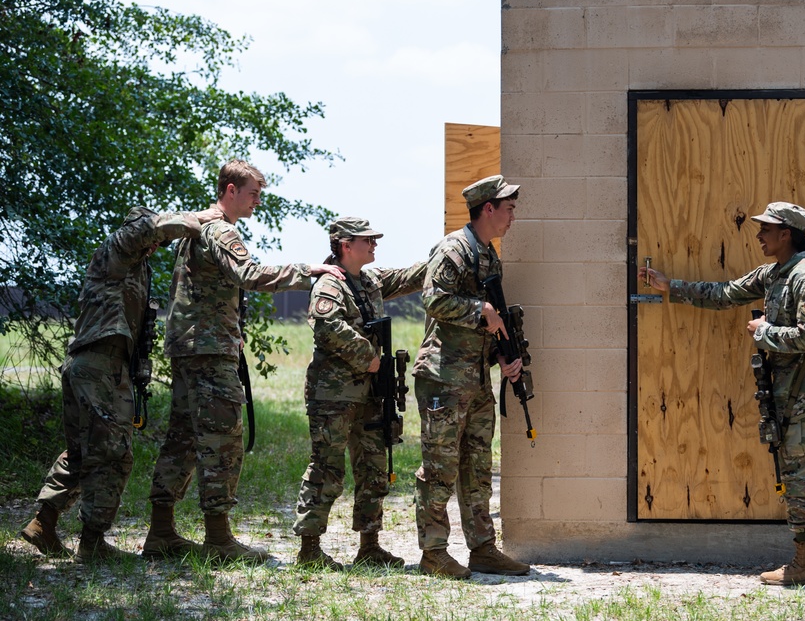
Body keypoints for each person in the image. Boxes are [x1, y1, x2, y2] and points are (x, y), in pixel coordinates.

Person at [639, 201, 805, 586]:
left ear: (786, 235)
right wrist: (671, 287)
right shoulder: (775, 273)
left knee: (796, 472)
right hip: (787, 387)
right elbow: (727, 293)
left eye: (766, 229)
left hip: (802, 387)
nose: (759, 234)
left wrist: (762, 331)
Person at [142, 159, 343, 563]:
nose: (257, 201)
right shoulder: (220, 229)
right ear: (230, 191)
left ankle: (161, 532)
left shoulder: (196, 229)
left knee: (181, 440)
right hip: (210, 351)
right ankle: (218, 540)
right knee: (222, 442)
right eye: (252, 193)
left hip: (189, 348)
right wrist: (308, 271)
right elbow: (248, 273)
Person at [20, 205, 222, 563]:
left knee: (83, 453)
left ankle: (43, 523)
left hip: (94, 365)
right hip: (100, 366)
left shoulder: (137, 268)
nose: (154, 247)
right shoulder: (117, 248)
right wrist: (198, 218)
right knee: (112, 455)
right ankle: (92, 542)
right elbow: (146, 230)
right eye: (151, 239)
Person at [412, 174, 530, 579]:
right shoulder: (454, 249)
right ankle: (433, 554)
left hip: (476, 379)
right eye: (509, 208)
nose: (513, 215)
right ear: (488, 209)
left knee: (477, 467)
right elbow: (432, 298)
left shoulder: (488, 254)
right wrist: (480, 310)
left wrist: (505, 355)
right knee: (440, 467)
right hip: (444, 378)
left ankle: (482, 548)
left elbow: (492, 320)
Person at [292, 217, 426, 568]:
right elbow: (326, 327)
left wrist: (443, 255)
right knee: (327, 468)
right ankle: (309, 550)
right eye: (368, 240)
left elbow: (410, 276)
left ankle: (370, 546)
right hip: (333, 395)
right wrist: (368, 358)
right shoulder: (328, 284)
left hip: (369, 395)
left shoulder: (370, 281)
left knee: (373, 468)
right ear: (345, 245)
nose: (375, 245)